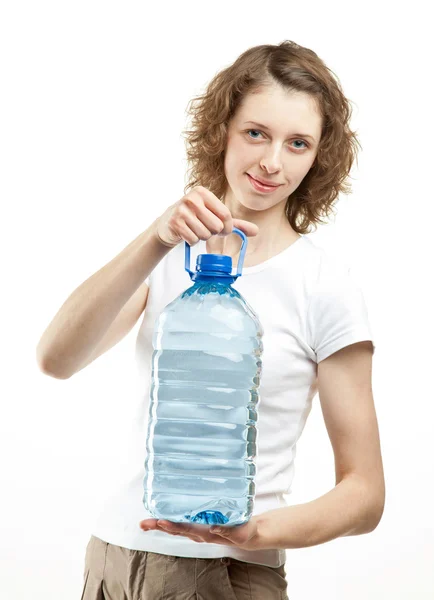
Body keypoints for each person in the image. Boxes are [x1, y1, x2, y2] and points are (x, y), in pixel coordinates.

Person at [36, 40, 385, 600]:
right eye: (256, 133)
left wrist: (254, 531)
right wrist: (156, 238)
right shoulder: (165, 252)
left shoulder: (324, 286)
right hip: (112, 557)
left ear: (319, 157)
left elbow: (365, 494)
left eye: (298, 143)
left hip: (225, 573)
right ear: (221, 128)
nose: (273, 161)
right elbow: (56, 358)